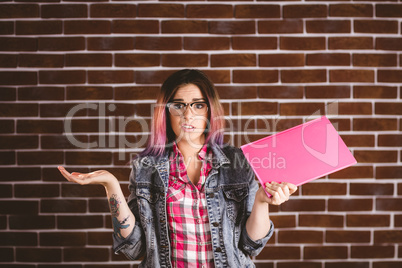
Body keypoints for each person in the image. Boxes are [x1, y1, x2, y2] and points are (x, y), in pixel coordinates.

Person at [58, 69, 297, 267]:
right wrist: (111, 185)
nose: (188, 115)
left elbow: (251, 245)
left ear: (210, 111)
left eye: (198, 105)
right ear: (166, 112)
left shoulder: (238, 162)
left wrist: (261, 202)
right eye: (178, 105)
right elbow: (135, 248)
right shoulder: (145, 167)